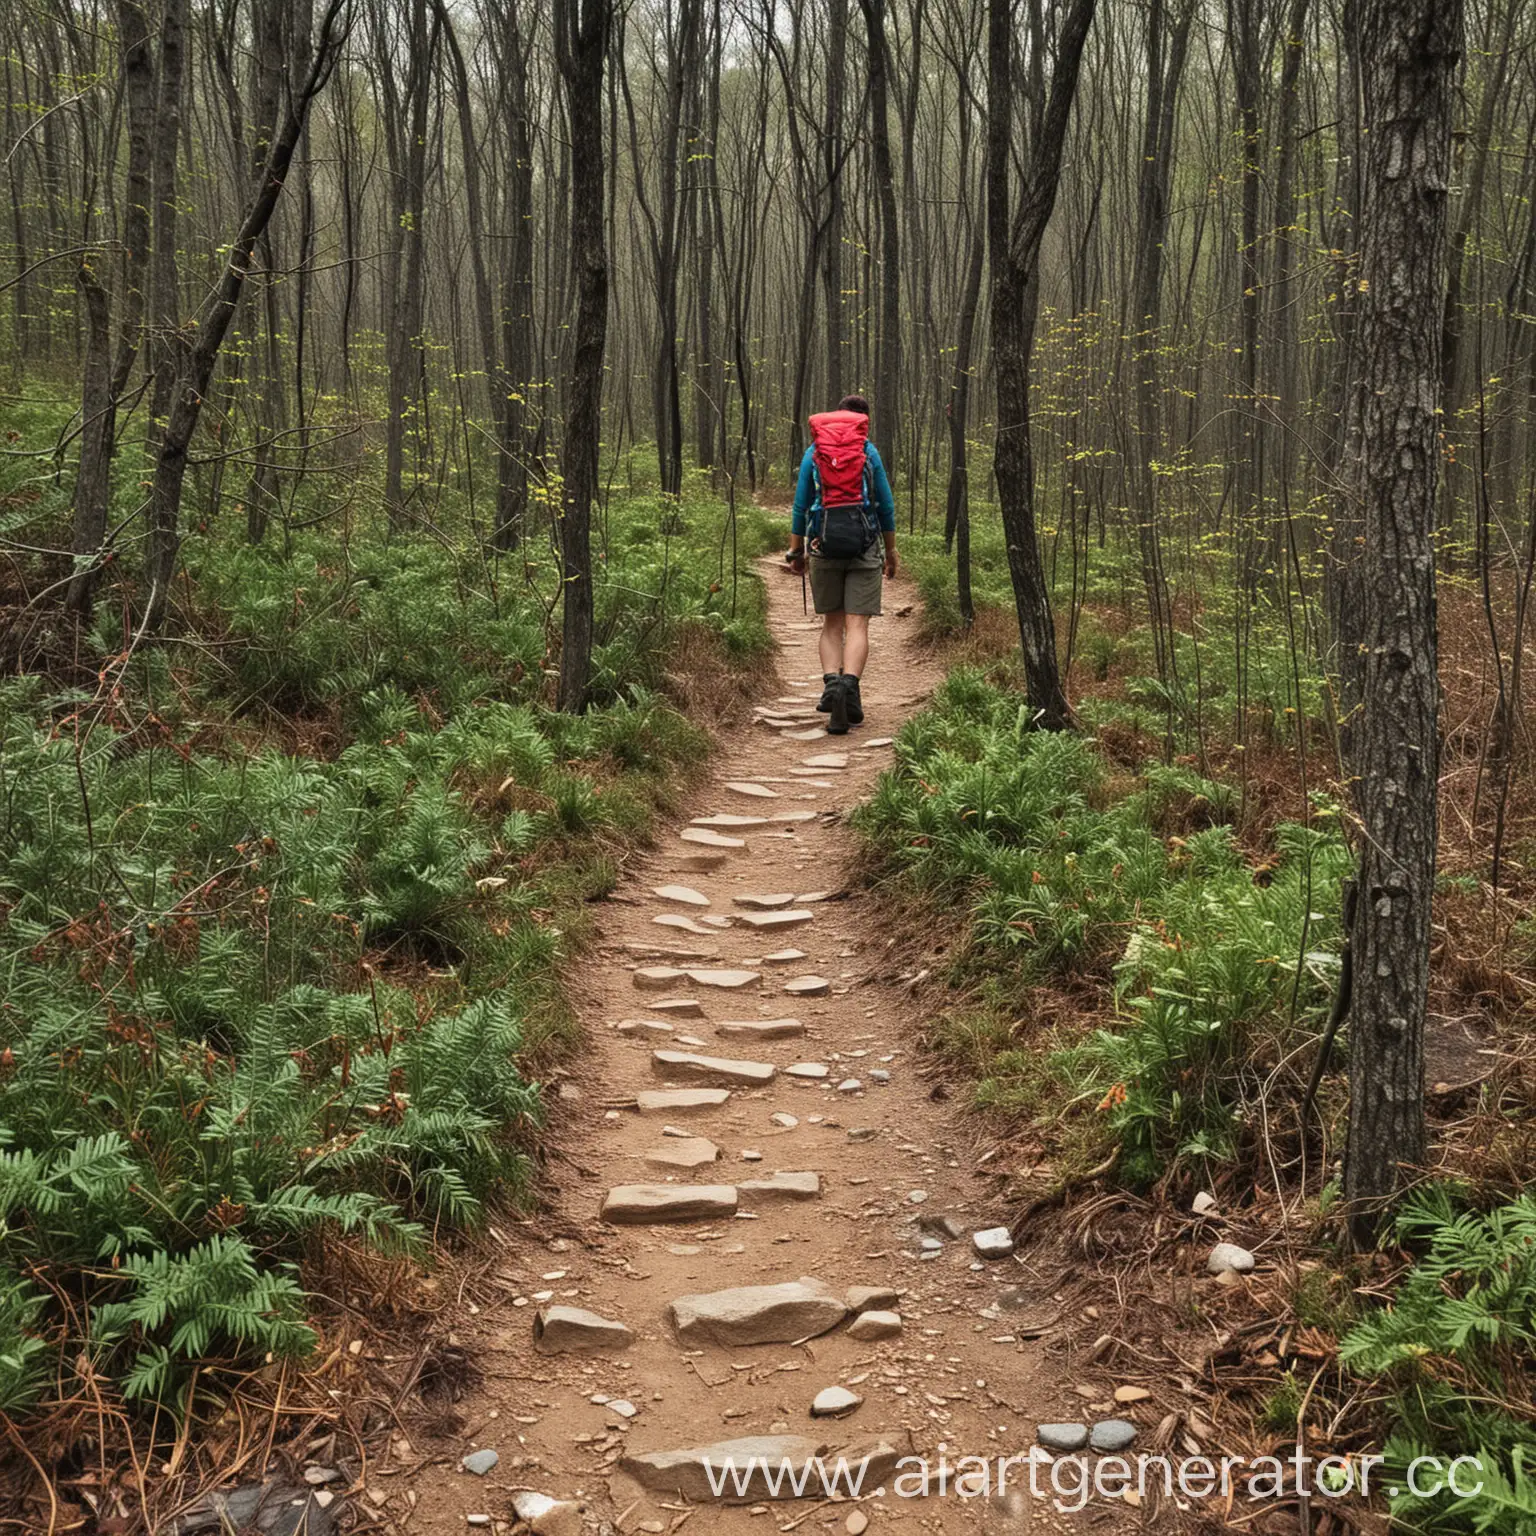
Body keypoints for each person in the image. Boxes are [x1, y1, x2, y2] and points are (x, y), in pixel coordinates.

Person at [786, 394, 899, 735]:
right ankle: (849, 686)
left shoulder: (814, 452)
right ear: (864, 422)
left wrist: (796, 552)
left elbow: (800, 506)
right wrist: (890, 552)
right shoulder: (869, 451)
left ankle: (833, 686)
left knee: (831, 624)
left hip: (822, 545)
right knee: (858, 625)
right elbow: (886, 506)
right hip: (865, 546)